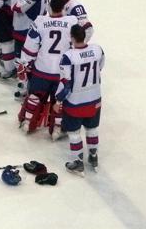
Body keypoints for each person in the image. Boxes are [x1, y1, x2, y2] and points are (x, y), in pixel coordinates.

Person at [17, 0, 77, 135]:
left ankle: (28, 121)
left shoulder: (40, 21)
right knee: (60, 101)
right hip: (62, 73)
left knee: (35, 96)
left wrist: (25, 65)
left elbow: (31, 47)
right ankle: (57, 129)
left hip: (41, 70)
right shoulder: (72, 21)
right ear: (63, 8)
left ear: (49, 6)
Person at [54, 24, 105, 176]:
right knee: (92, 128)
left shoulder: (68, 57)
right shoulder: (97, 49)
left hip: (75, 101)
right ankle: (93, 157)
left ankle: (77, 162)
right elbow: (100, 66)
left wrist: (58, 101)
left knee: (74, 133)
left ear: (72, 37)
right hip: (95, 97)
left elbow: (66, 84)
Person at [8, 0, 47, 70]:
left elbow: (17, 8)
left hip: (26, 26)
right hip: (31, 22)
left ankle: (22, 75)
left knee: (22, 55)